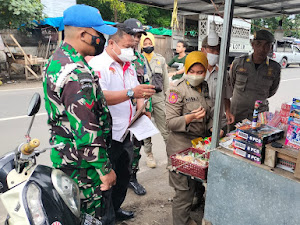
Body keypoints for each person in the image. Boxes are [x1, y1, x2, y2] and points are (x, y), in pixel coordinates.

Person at [43, 4, 117, 224]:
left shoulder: (59, 60)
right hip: (84, 167)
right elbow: (86, 130)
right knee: (89, 217)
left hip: (69, 159)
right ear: (84, 35)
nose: (102, 39)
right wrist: (105, 170)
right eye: (99, 34)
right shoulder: (76, 72)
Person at [88, 24, 156, 221]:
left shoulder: (129, 65)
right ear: (112, 43)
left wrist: (142, 108)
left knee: (123, 176)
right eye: (127, 47)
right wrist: (130, 94)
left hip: (127, 132)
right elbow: (100, 97)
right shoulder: (99, 65)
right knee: (106, 181)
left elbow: (138, 90)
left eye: (134, 47)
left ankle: (116, 209)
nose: (131, 51)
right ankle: (105, 217)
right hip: (107, 135)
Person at [165, 51, 214, 225]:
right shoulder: (176, 89)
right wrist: (189, 118)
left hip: (198, 146)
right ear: (186, 69)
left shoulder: (205, 86)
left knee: (194, 185)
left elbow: (209, 113)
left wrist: (212, 128)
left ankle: (193, 209)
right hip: (180, 147)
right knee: (183, 192)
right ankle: (181, 222)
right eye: (192, 71)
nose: (195, 75)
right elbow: (170, 122)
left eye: (200, 72)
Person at [229, 29, 281, 125]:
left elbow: (272, 91)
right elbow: (230, 84)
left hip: (260, 114)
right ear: (252, 45)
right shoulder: (239, 63)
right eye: (258, 44)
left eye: (267, 45)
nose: (262, 49)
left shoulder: (275, 68)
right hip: (237, 113)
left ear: (271, 47)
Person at [123, 18, 149, 196]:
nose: (137, 39)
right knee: (118, 149)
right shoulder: (113, 56)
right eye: (134, 35)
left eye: (139, 36)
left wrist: (145, 109)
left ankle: (132, 177)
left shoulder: (139, 59)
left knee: (136, 146)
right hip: (119, 113)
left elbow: (145, 84)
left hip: (137, 110)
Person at [140, 32, 169, 168]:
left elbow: (166, 80)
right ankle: (149, 154)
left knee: (165, 128)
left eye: (149, 43)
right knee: (147, 128)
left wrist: (167, 97)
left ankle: (170, 153)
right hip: (144, 98)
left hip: (158, 98)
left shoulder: (160, 59)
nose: (148, 45)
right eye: (145, 43)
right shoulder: (138, 60)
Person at [201, 36, 235, 130]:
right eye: (212, 49)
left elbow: (226, 96)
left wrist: (228, 111)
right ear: (202, 50)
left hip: (218, 122)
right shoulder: (194, 72)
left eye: (218, 50)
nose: (216, 53)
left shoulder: (223, 74)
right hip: (199, 123)